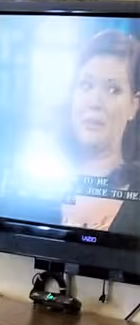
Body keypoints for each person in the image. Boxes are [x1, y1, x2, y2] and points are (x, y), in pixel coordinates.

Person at [58, 28, 140, 234]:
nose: (95, 102)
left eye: (113, 89)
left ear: (134, 105)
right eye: (86, 85)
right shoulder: (32, 191)